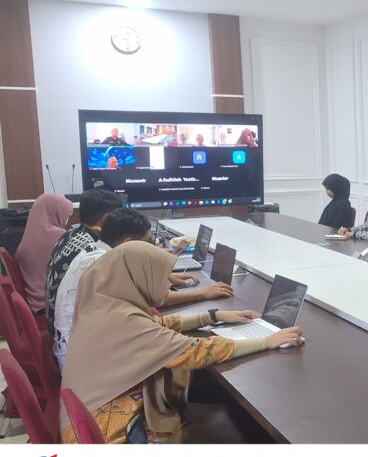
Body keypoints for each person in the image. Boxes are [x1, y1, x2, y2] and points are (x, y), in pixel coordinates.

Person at [59, 242, 303, 444]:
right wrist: (268, 341)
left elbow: (157, 325)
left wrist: (213, 316)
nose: (167, 285)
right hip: (111, 436)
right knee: (229, 421)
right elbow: (195, 352)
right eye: (161, 278)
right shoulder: (122, 319)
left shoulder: (105, 305)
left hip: (87, 420)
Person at [52, 209, 232, 370]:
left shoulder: (95, 252)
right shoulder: (104, 264)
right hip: (85, 366)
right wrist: (204, 293)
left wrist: (167, 277)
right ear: (128, 243)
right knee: (178, 361)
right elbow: (159, 299)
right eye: (147, 243)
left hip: (78, 353)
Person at [45, 189, 123, 331]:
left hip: (55, 319)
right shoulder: (94, 250)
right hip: (72, 331)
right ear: (106, 219)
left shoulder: (70, 233)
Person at [16, 193, 74, 313]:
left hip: (35, 302)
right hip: (52, 305)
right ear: (55, 212)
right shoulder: (60, 236)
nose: (66, 220)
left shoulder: (29, 235)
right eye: (66, 215)